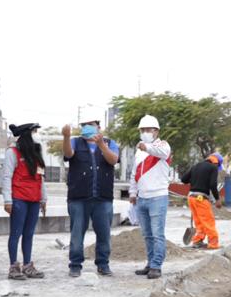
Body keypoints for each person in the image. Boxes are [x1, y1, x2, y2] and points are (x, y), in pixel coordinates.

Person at [62, 117, 119, 277]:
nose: (87, 127)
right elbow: (68, 154)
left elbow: (113, 159)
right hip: (78, 197)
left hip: (103, 197)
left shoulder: (109, 142)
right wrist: (66, 137)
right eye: (84, 125)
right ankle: (75, 265)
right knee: (77, 233)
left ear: (98, 127)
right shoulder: (75, 142)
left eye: (91, 125)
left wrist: (101, 145)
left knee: (104, 234)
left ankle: (103, 264)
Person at [129, 115, 172, 279]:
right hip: (142, 198)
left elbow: (162, 152)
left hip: (158, 197)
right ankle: (150, 262)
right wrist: (133, 193)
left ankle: (156, 266)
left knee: (157, 234)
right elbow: (134, 173)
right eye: (143, 130)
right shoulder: (139, 151)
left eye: (148, 130)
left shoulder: (162, 146)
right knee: (147, 234)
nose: (145, 132)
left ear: (156, 131)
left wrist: (146, 147)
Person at [3, 123, 47, 279]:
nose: (37, 135)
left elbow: (41, 178)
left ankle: (28, 265)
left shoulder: (36, 153)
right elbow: (7, 177)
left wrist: (43, 198)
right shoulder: (12, 153)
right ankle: (13, 267)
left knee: (29, 234)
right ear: (27, 135)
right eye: (34, 132)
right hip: (19, 199)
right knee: (16, 233)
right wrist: (8, 200)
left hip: (34, 199)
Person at [181, 152, 223, 250]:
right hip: (201, 198)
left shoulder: (196, 166)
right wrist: (217, 199)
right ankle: (213, 243)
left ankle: (197, 241)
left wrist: (196, 179)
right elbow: (213, 185)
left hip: (191, 198)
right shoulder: (213, 168)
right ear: (216, 163)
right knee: (208, 221)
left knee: (199, 222)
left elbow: (184, 179)